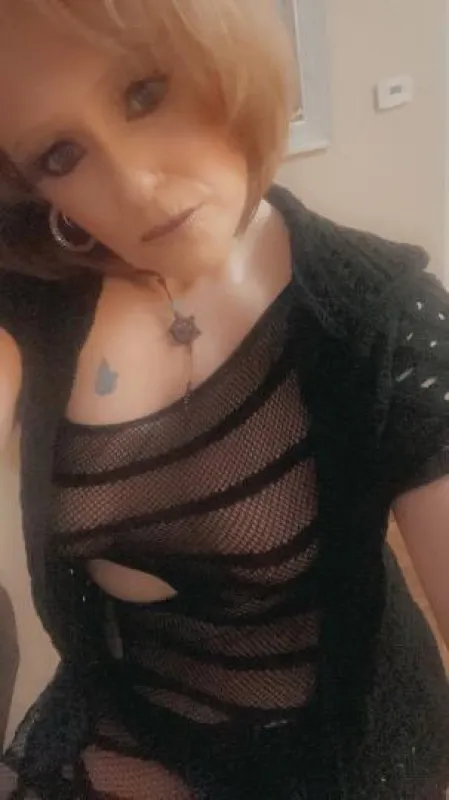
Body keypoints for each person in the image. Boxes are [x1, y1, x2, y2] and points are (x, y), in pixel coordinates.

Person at [0, 0, 447, 797]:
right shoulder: (33, 300)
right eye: (61, 154)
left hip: (333, 763)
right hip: (125, 732)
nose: (136, 186)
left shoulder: (380, 319)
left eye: (144, 93)